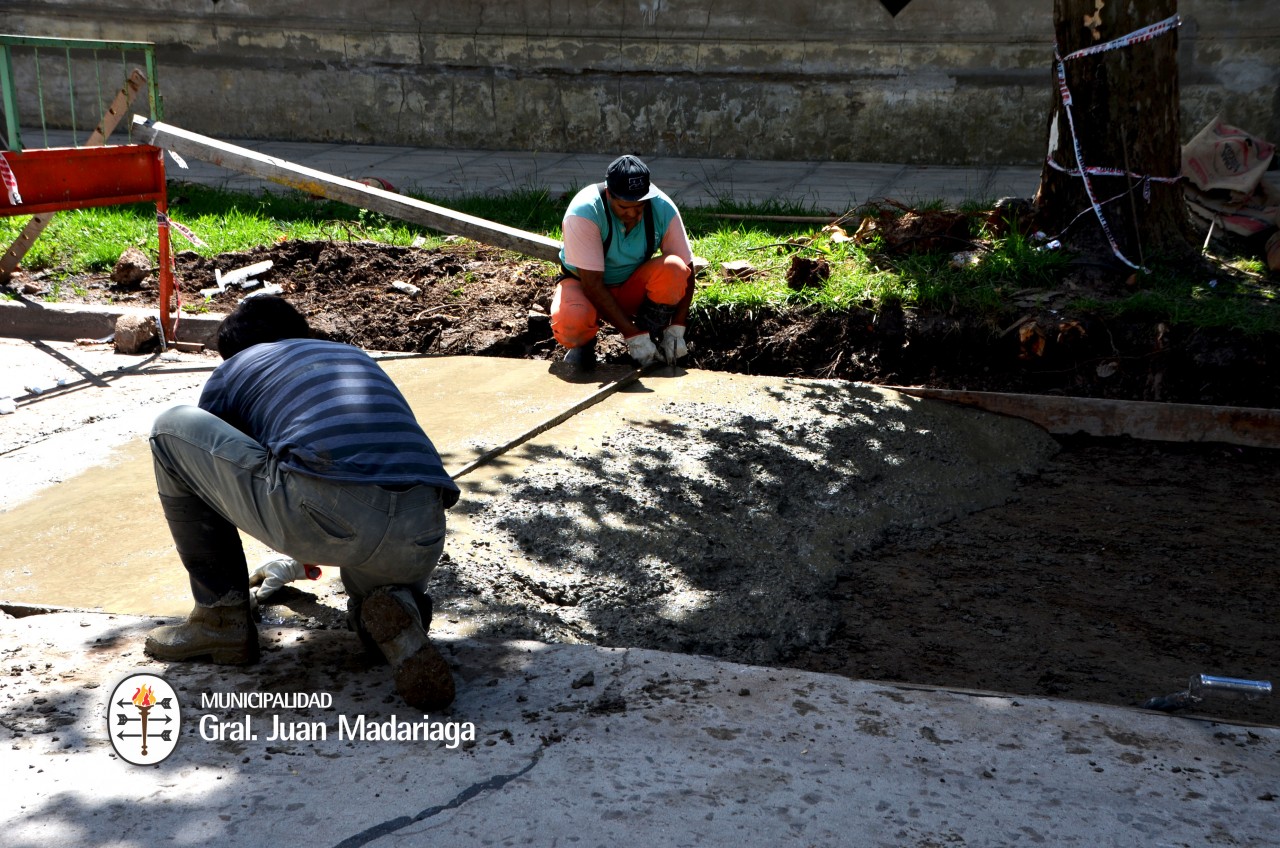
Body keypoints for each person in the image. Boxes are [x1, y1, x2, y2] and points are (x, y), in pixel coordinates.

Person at [144, 295, 460, 711]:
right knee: (381, 589)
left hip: (324, 512)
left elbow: (217, 475)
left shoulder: (235, 369)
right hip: (422, 526)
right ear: (302, 331)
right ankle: (397, 611)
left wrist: (302, 540)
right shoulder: (352, 357)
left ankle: (220, 620)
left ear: (234, 351)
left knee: (169, 430)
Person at [553, 154, 695, 369]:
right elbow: (592, 285)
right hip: (587, 289)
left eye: (640, 207)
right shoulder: (584, 211)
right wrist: (633, 337)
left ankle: (651, 334)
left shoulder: (662, 206)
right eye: (624, 207)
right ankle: (584, 344)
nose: (633, 215)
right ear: (609, 194)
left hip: (632, 288)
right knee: (572, 321)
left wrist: (677, 327)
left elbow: (688, 268)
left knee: (674, 268)